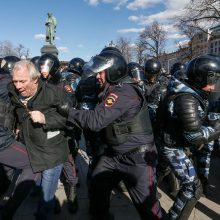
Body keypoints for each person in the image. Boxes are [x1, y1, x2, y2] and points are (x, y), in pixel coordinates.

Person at [59, 50, 166, 220]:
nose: (97, 76)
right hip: (114, 154)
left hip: (137, 157)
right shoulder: (111, 88)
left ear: (113, 72)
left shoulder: (124, 92)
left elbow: (95, 120)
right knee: (97, 188)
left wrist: (67, 112)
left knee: (149, 208)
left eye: (101, 72)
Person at [156, 54, 220, 220]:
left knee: (158, 172)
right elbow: (194, 136)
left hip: (169, 142)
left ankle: (145, 194)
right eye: (211, 82)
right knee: (192, 188)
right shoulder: (186, 99)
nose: (213, 87)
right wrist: (216, 128)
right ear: (200, 78)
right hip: (172, 147)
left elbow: (206, 105)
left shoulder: (189, 91)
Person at [8, 60, 69, 220]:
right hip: (30, 151)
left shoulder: (54, 92)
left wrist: (45, 119)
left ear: (35, 79)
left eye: (22, 81)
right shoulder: (12, 92)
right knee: (40, 187)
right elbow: (14, 112)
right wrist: (17, 126)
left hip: (51, 153)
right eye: (15, 81)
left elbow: (69, 119)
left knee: (45, 197)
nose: (18, 86)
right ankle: (53, 206)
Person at [0, 62, 38, 220]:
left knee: (7, 169)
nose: (18, 84)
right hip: (2, 141)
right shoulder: (6, 84)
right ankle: (10, 210)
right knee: (34, 163)